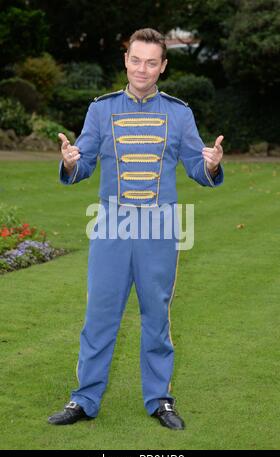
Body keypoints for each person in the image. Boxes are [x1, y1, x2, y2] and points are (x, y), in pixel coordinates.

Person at [48, 28, 224, 430]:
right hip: (111, 227)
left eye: (151, 62)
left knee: (156, 319)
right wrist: (72, 161)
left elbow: (197, 167)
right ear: (125, 60)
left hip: (160, 231)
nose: (142, 68)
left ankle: (159, 399)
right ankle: (84, 399)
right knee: (99, 317)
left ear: (163, 66)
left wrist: (211, 164)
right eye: (135, 59)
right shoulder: (101, 110)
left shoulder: (179, 114)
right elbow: (85, 161)